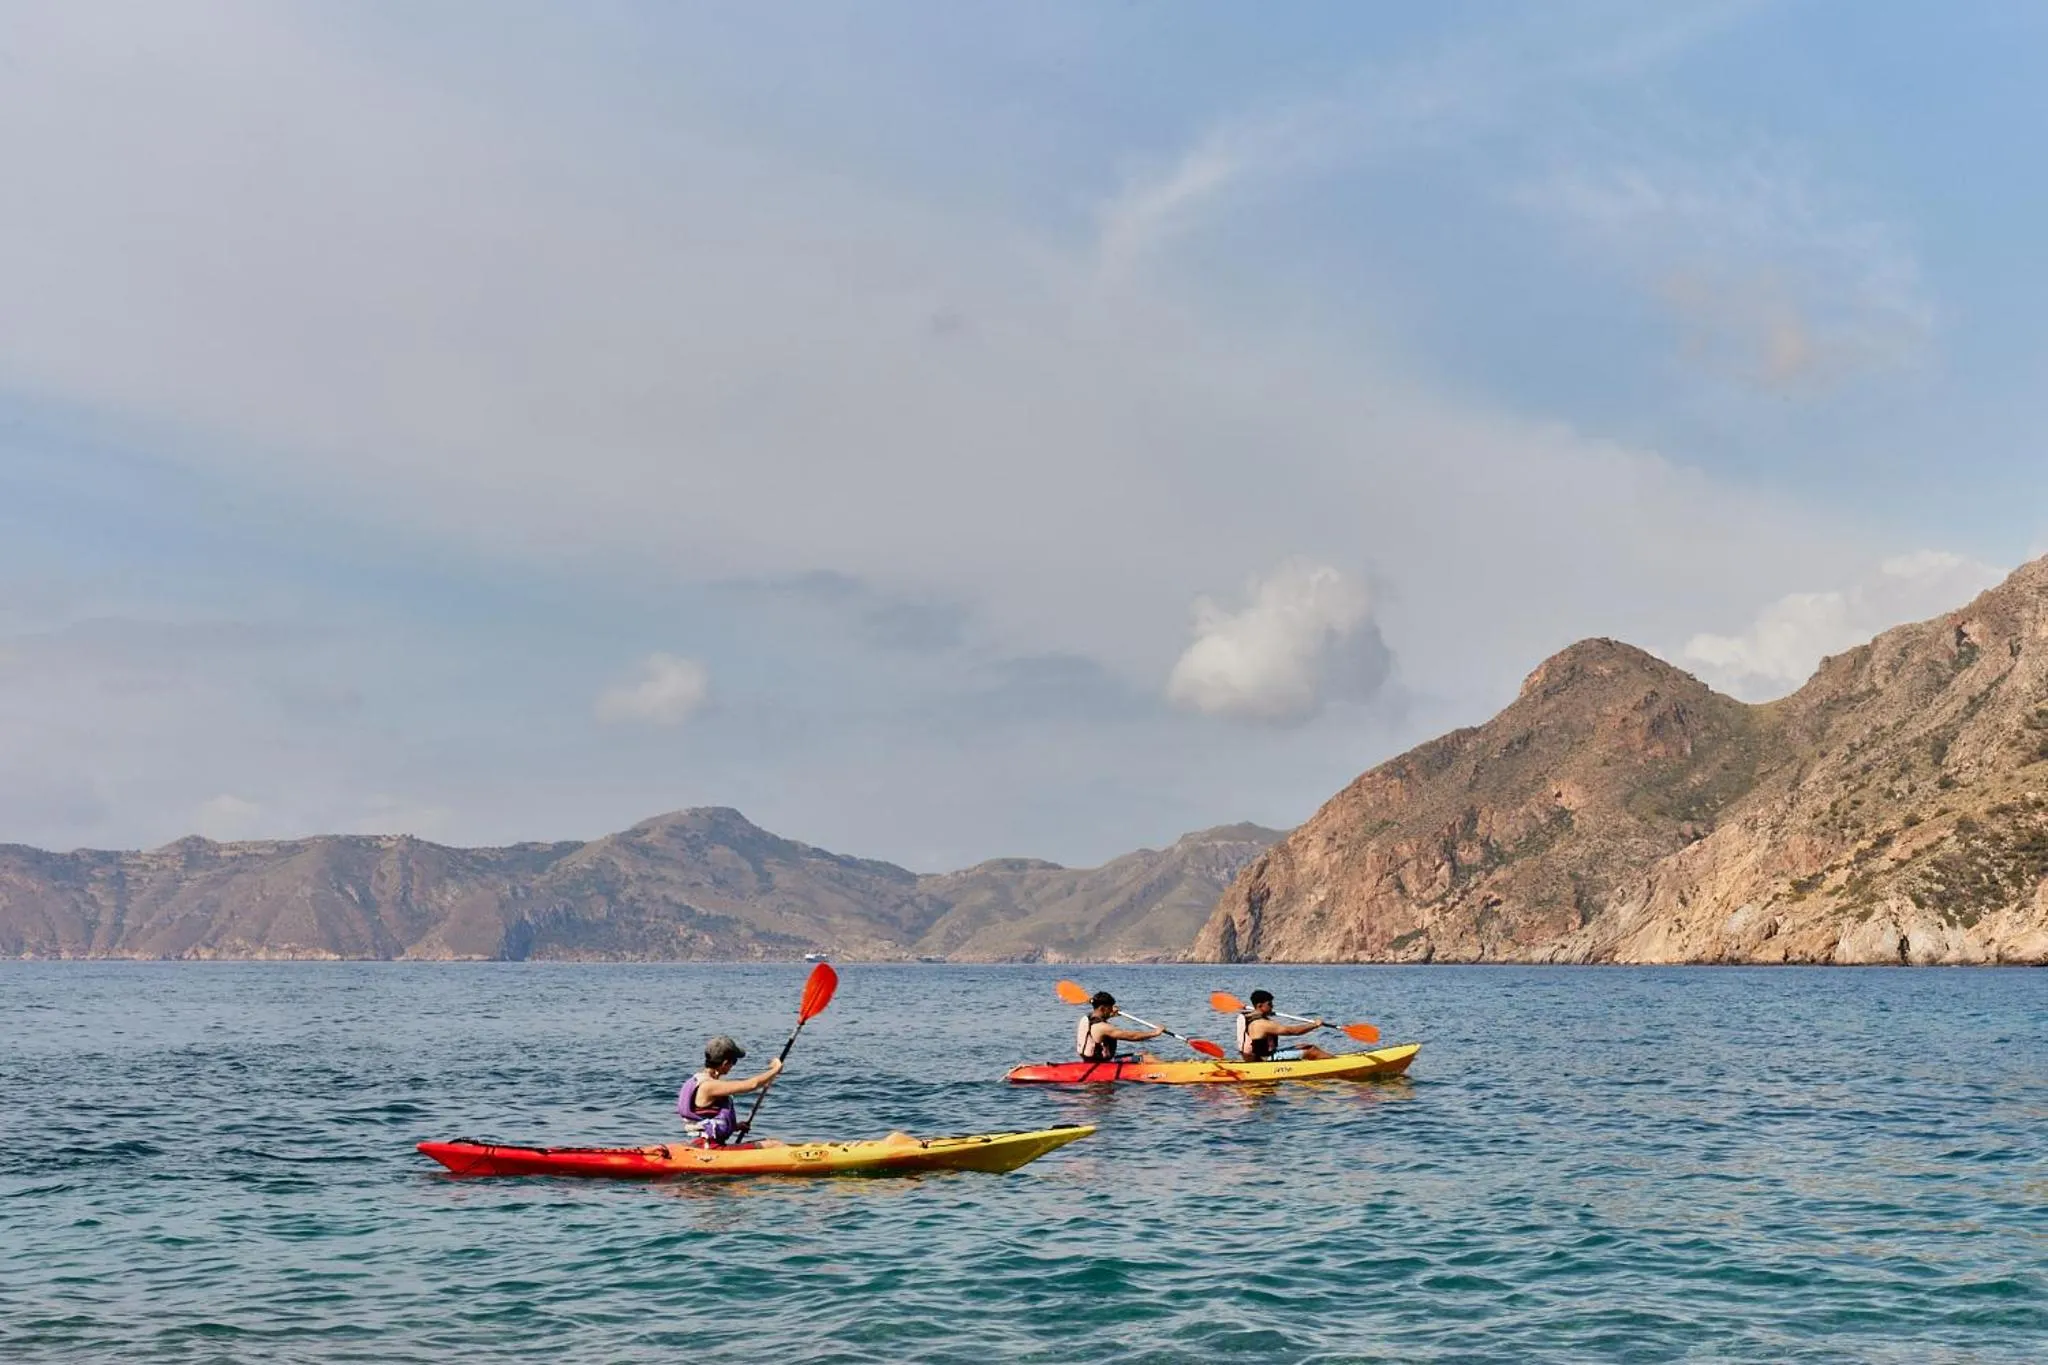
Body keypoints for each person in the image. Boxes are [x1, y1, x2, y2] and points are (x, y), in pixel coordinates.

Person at [676, 1035, 782, 1146]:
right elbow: (752, 1085)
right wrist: (776, 1069)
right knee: (776, 1145)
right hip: (711, 1148)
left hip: (701, 1144)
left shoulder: (696, 1080)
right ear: (725, 1063)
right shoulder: (708, 1086)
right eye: (734, 1061)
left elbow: (705, 1118)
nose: (733, 1066)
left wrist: (734, 1126)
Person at [1236, 989, 1332, 1062]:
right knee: (1311, 1050)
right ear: (1260, 1005)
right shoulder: (1262, 1023)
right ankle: (1336, 1064)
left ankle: (1327, 1061)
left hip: (1253, 1057)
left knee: (1304, 1046)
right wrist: (1314, 1025)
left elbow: (1257, 1014)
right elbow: (1293, 1031)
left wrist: (1264, 1014)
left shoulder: (1248, 1017)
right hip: (1264, 1059)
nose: (1272, 1006)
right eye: (1269, 1004)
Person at [1075, 991, 1163, 1063]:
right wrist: (1155, 1033)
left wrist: (1110, 1014)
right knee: (1147, 1058)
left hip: (1088, 1061)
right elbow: (1132, 1036)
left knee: (1144, 1053)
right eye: (1109, 1008)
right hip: (1102, 1064)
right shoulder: (1103, 1027)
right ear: (1102, 1008)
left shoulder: (1086, 1018)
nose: (1112, 1010)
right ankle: (1171, 1071)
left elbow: (1100, 1018)